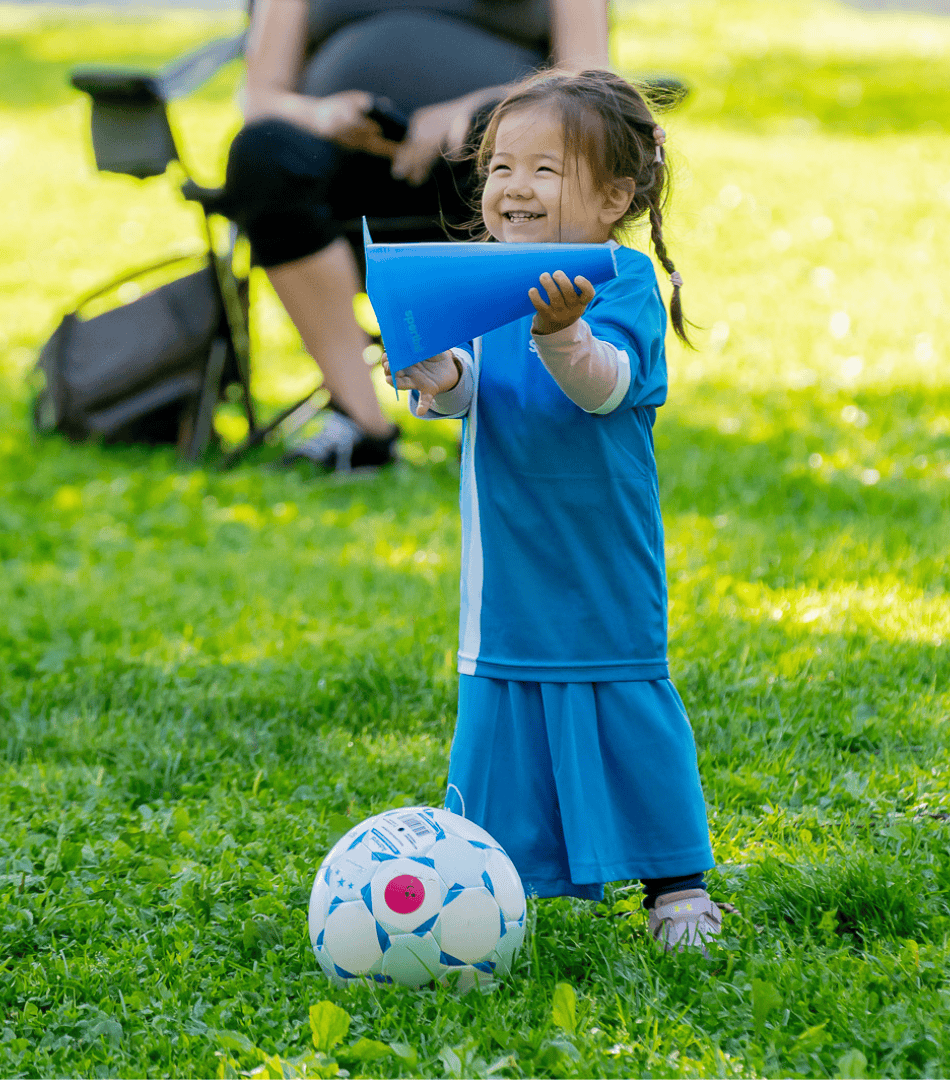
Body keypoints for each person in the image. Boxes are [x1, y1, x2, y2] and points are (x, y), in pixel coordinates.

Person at [384, 68, 723, 954]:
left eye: (545, 170)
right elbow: (475, 390)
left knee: (623, 699)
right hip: (509, 559)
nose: (513, 188)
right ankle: (496, 882)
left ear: (614, 196)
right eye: (500, 168)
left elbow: (606, 388)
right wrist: (439, 376)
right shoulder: (490, 279)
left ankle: (676, 885)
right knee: (503, 710)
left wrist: (562, 334)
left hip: (600, 555)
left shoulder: (619, 281)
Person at [219, 0, 609, 471]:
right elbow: (261, 96)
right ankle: (363, 424)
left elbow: (586, 79)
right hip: (339, 164)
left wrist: (474, 110)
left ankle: (529, 403)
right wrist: (322, 115)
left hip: (488, 162)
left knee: (524, 147)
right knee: (261, 154)